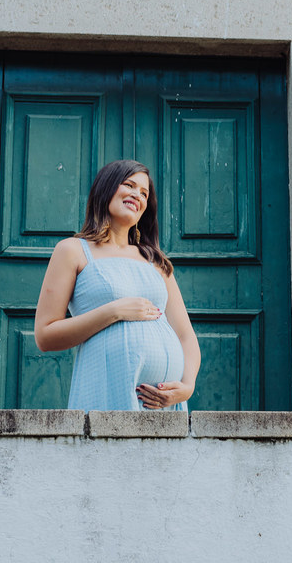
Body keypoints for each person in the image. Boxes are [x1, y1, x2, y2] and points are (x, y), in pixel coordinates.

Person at [34, 159, 200, 410]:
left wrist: (186, 388)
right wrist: (115, 312)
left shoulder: (155, 261)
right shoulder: (73, 251)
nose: (138, 195)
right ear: (106, 189)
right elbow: (45, 336)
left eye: (144, 193)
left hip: (164, 404)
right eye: (129, 185)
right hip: (108, 394)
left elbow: (185, 335)